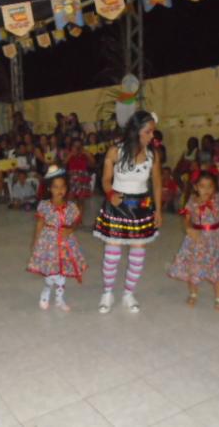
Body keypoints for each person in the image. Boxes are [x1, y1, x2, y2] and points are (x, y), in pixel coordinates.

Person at [93, 111, 162, 314]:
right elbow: (105, 179)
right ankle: (107, 293)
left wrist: (158, 210)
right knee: (112, 254)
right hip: (117, 206)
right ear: (136, 130)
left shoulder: (153, 155)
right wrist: (109, 192)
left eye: (153, 132)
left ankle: (128, 293)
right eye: (148, 132)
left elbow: (157, 184)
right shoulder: (115, 151)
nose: (152, 136)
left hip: (140, 208)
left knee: (138, 254)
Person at [167, 163, 219, 310]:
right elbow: (186, 217)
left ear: (215, 188)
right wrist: (188, 228)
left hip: (215, 240)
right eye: (202, 186)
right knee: (194, 267)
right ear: (195, 187)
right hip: (197, 239)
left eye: (210, 186)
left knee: (217, 269)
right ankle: (193, 294)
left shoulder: (218, 199)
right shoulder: (192, 201)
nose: (206, 190)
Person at [27, 166, 87, 311]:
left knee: (62, 272)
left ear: (66, 188)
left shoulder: (71, 206)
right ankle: (46, 292)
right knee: (51, 272)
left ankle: (60, 299)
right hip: (49, 243)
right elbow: (40, 224)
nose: (59, 190)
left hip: (66, 243)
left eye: (62, 187)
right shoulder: (44, 205)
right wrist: (35, 242)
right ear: (49, 189)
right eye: (55, 187)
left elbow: (77, 221)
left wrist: (70, 229)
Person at [65, 138, 95, 219]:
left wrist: (87, 154)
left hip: (83, 178)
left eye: (79, 146)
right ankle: (68, 217)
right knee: (69, 199)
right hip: (72, 178)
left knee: (81, 200)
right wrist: (71, 154)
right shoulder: (69, 153)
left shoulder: (85, 154)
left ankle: (79, 219)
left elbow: (92, 165)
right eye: (75, 146)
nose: (77, 148)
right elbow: (63, 164)